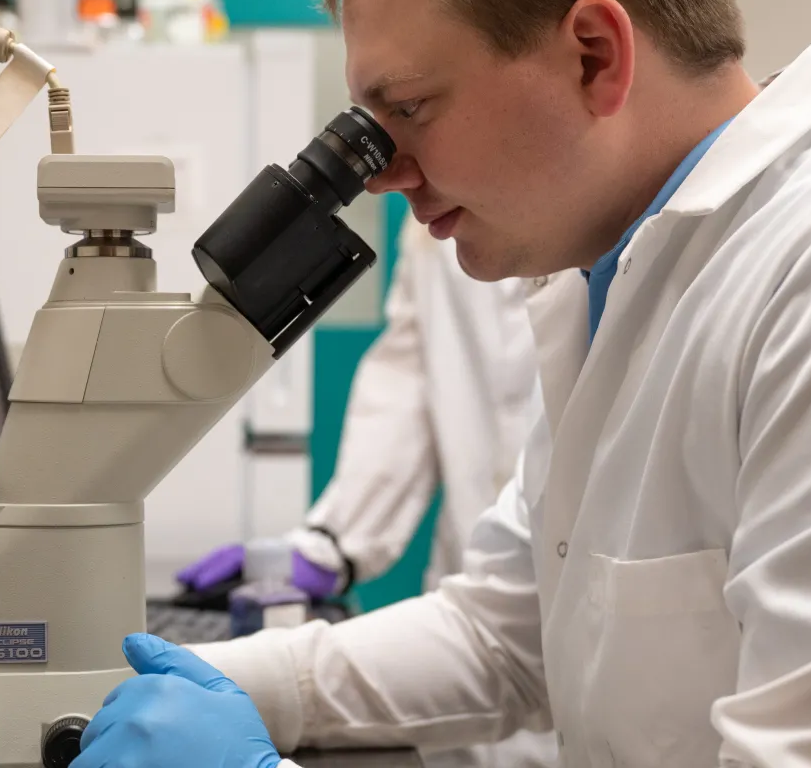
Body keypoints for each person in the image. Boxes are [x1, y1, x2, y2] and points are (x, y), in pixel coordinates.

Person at [73, 0, 811, 766]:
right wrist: (214, 681)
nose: (382, 174)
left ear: (594, 55)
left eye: (411, 109)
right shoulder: (615, 279)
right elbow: (505, 630)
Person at [174, 214, 556, 767]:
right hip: (477, 637)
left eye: (410, 119)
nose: (387, 178)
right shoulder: (445, 219)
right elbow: (411, 374)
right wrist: (334, 541)